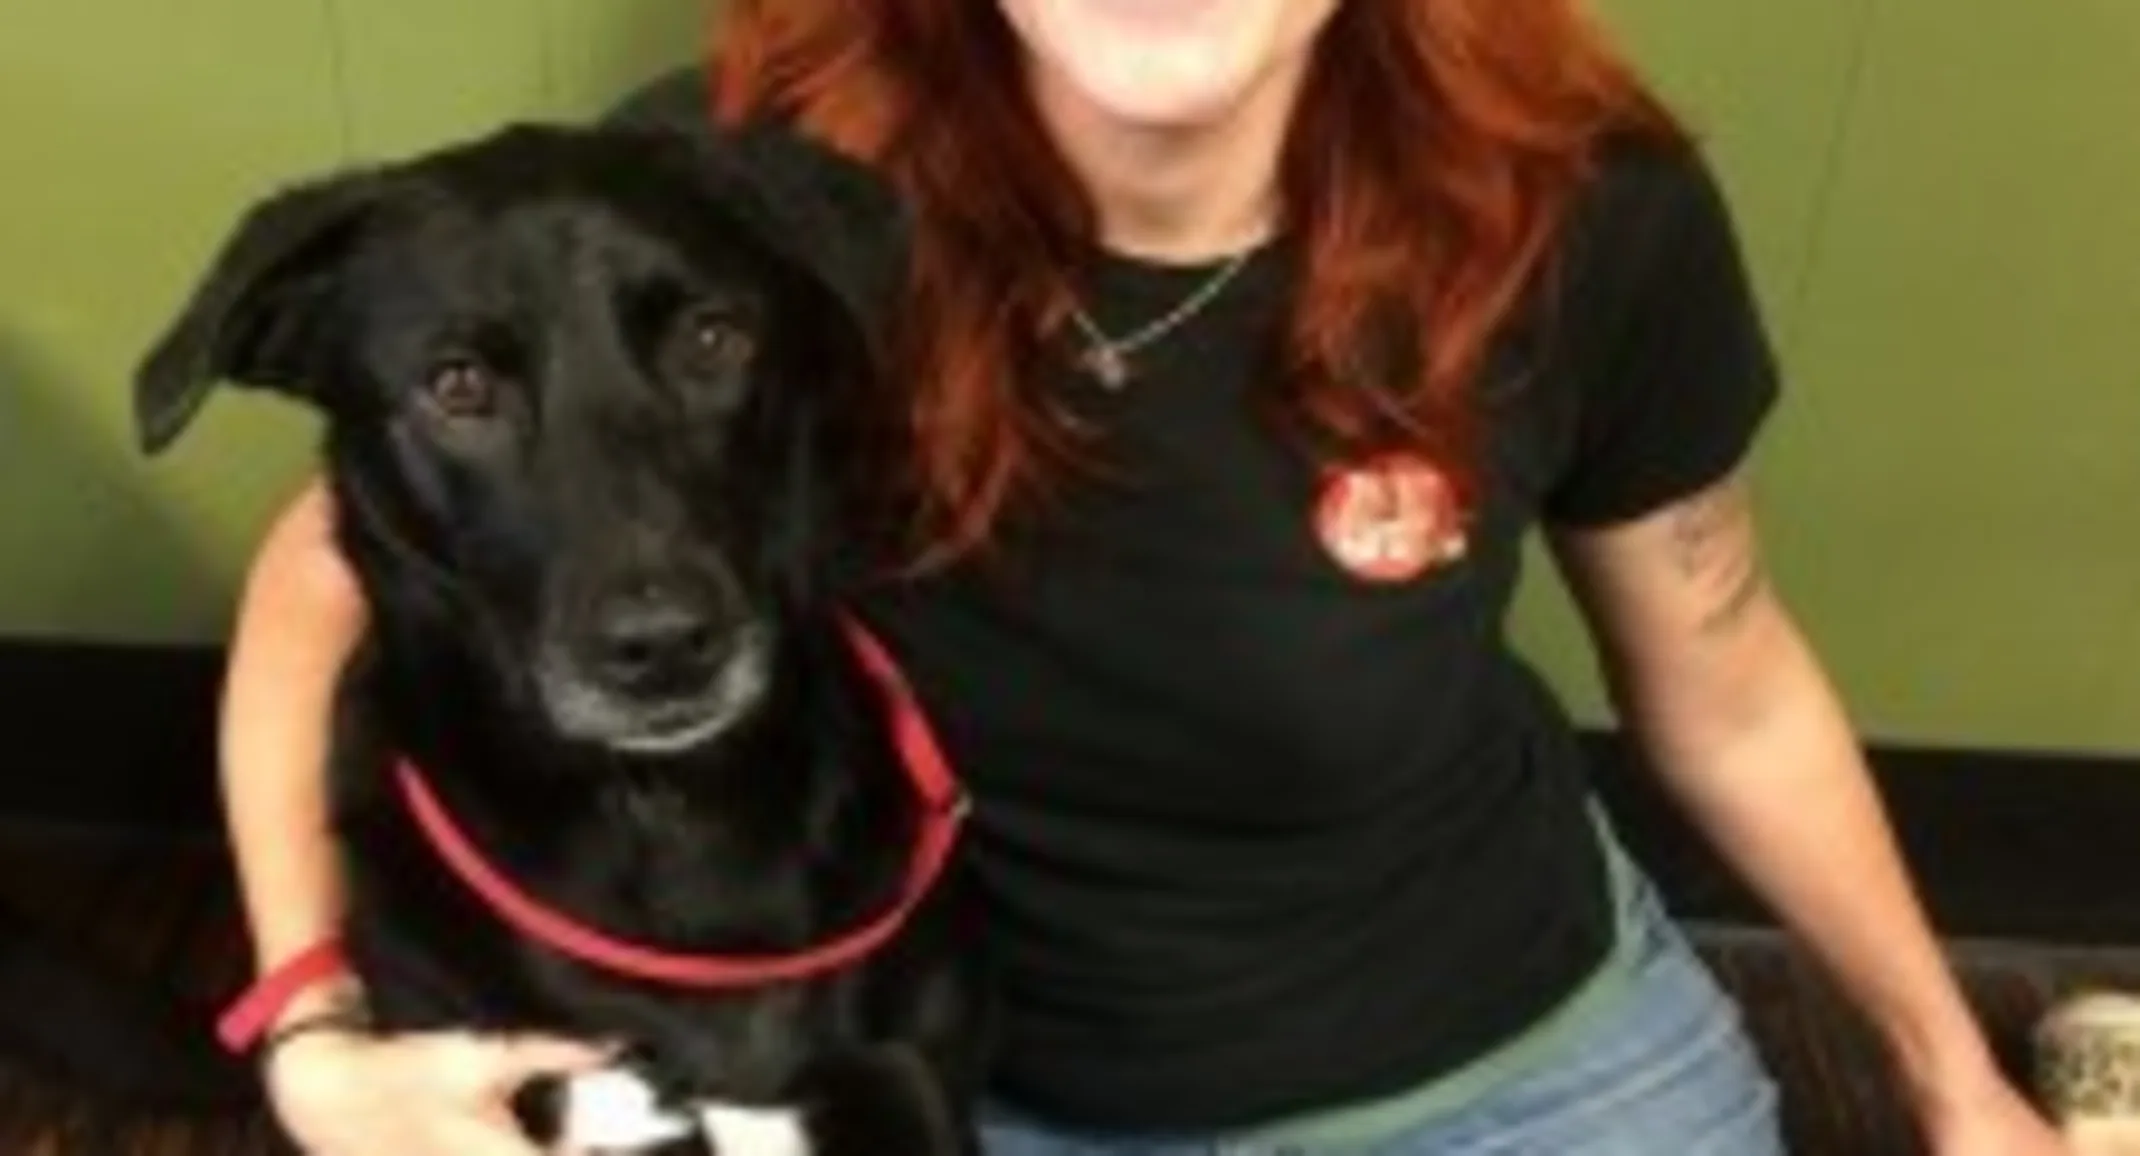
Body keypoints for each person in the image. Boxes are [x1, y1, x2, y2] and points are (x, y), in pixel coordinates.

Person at [217, 0, 2068, 1152]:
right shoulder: (729, 199)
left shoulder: (1576, 204)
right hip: (963, 1078)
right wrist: (315, 1034)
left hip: (1511, 1061)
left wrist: (1952, 1086)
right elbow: (335, 580)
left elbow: (1728, 675)